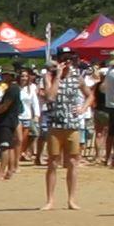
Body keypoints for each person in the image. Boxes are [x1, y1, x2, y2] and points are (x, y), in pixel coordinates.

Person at [39, 64, 86, 210]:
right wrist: (57, 76)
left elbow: (90, 94)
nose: (66, 64)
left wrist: (82, 108)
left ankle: (71, 199)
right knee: (53, 162)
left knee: (72, 162)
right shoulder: (49, 77)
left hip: (72, 125)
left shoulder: (76, 78)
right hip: (55, 125)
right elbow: (50, 97)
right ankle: (50, 200)